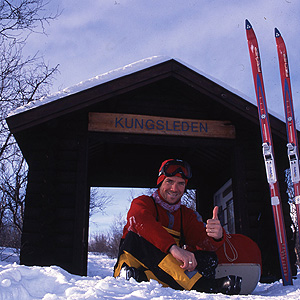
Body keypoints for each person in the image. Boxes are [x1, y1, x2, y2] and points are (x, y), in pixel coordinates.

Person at [114, 159, 242, 294]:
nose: (174, 189)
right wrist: (172, 248)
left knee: (208, 259)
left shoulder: (186, 215)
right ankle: (203, 285)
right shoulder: (142, 203)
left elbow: (201, 241)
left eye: (180, 183)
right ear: (160, 182)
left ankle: (140, 277)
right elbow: (140, 221)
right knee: (138, 237)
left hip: (161, 271)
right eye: (169, 181)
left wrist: (216, 236)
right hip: (132, 261)